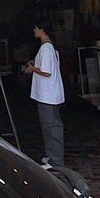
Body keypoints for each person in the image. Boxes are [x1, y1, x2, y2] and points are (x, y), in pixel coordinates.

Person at [25, 23, 65, 168]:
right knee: (49, 126)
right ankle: (52, 156)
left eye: (35, 28)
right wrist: (36, 63)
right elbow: (48, 67)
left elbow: (47, 72)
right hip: (51, 94)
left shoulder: (46, 48)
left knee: (51, 127)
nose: (34, 30)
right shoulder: (49, 47)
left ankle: (56, 161)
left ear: (42, 30)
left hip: (48, 95)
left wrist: (32, 69)